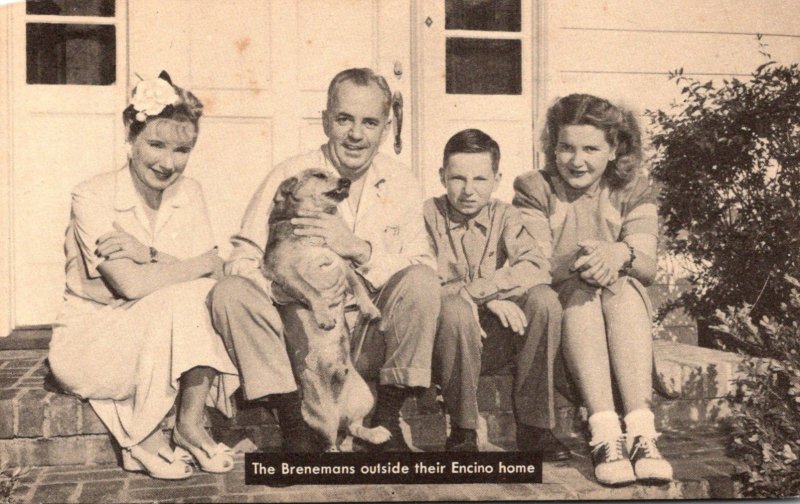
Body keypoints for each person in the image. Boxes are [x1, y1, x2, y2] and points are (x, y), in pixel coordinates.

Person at [208, 68, 440, 452]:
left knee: (421, 281)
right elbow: (243, 257)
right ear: (325, 120)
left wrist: (357, 249)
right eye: (344, 119)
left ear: (385, 128)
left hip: (366, 336)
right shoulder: (291, 175)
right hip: (300, 339)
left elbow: (424, 266)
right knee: (229, 293)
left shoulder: (401, 182)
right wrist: (287, 291)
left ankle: (386, 418)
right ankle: (295, 423)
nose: (355, 134)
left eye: (369, 122)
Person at [48, 72, 239, 480]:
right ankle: (147, 432)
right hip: (93, 343)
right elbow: (130, 285)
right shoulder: (92, 194)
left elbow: (215, 273)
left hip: (159, 330)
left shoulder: (191, 192)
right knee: (188, 293)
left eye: (182, 149)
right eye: (155, 144)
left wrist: (148, 254)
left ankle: (187, 426)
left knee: (199, 294)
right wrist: (194, 263)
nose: (168, 163)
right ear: (130, 137)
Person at [512, 94, 673, 486]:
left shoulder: (633, 187)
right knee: (586, 293)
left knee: (625, 289)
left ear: (614, 148)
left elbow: (647, 264)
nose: (576, 160)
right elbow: (534, 264)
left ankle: (640, 432)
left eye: (590, 148)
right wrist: (593, 257)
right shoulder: (535, 188)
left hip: (619, 318)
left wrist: (618, 252)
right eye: (566, 147)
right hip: (566, 327)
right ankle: (604, 433)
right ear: (553, 147)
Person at [424, 129, 570, 460]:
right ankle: (463, 430)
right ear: (442, 176)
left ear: (497, 179)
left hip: (492, 340)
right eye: (458, 178)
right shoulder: (427, 216)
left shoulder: (505, 215)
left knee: (544, 300)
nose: (468, 190)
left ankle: (535, 428)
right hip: (442, 343)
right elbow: (425, 282)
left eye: (480, 179)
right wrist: (483, 299)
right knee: (455, 309)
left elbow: (536, 266)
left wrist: (486, 289)